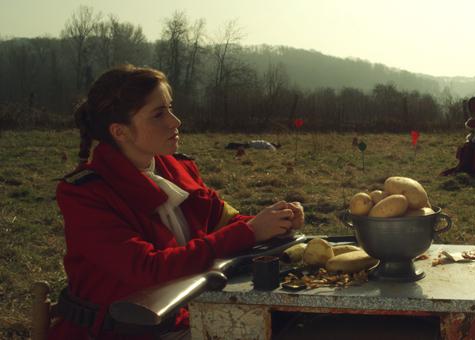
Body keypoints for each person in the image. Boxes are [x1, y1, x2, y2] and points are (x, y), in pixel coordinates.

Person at [50, 64, 304, 339]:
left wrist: (278, 220)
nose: (175, 121)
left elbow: (226, 223)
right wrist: (251, 231)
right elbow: (149, 270)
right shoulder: (85, 193)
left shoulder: (178, 169)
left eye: (170, 108)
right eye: (159, 114)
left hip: (191, 320)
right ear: (120, 132)